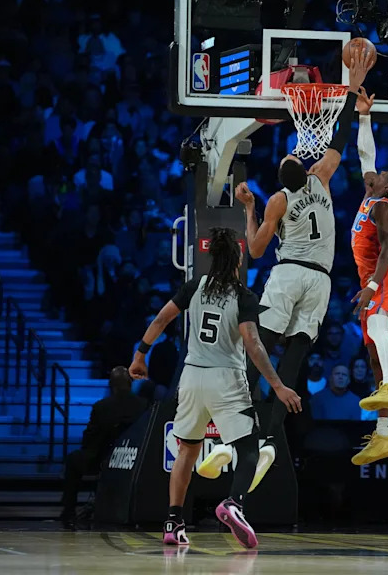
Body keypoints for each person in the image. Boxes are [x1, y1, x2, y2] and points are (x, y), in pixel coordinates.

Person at [234, 46, 373, 483]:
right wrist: (351, 90)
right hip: (321, 282)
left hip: (290, 271)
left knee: (259, 346)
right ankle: (274, 437)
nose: (295, 152)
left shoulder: (278, 199)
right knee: (295, 355)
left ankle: (245, 426)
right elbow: (341, 136)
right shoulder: (322, 177)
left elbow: (256, 251)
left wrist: (249, 210)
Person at [129, 227, 302, 548]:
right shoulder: (243, 295)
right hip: (227, 378)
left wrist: (140, 354)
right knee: (249, 448)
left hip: (192, 377)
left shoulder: (194, 286)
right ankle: (233, 503)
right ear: (237, 260)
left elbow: (160, 320)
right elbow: (253, 343)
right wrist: (277, 385)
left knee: (187, 451)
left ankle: (173, 521)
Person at [348, 93, 388, 465]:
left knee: (377, 324)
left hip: (385, 277)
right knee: (374, 352)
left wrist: (372, 285)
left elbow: (387, 247)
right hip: (370, 279)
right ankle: (385, 434)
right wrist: (364, 117)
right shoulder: (371, 191)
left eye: (383, 176)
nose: (377, 173)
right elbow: (365, 155)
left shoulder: (385, 208)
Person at [61, 367, 147, 522]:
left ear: (111, 385)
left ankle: (69, 510)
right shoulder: (144, 405)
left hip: (102, 459)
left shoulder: (101, 406)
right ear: (130, 383)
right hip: (135, 460)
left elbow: (90, 436)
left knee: (73, 459)